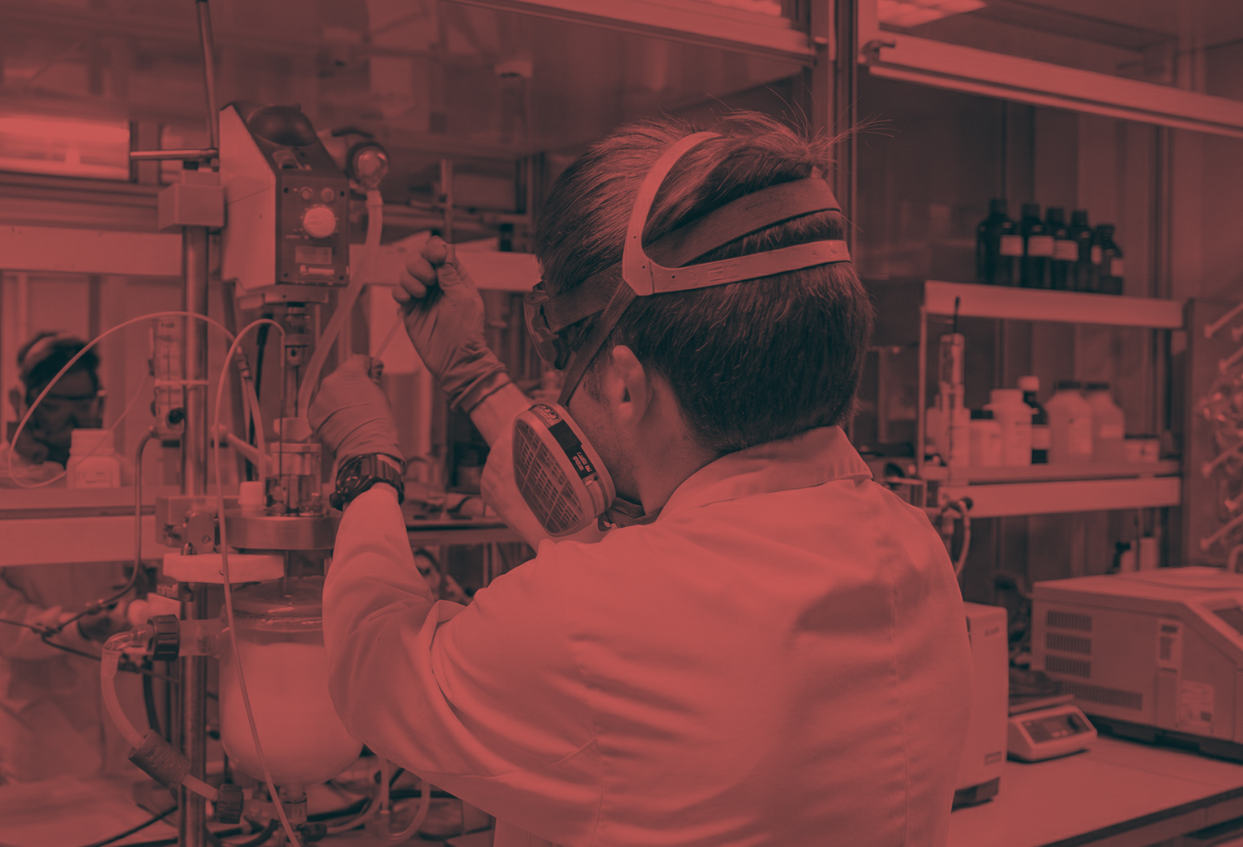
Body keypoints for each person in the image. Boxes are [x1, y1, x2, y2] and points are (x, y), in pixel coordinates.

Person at [309, 114, 973, 846]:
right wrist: (474, 379)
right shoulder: (910, 549)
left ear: (625, 384)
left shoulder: (593, 619)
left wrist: (367, 466)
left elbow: (376, 664)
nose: (562, 392)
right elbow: (635, 556)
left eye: (568, 368)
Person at [0, 332, 138, 782]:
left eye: (85, 400)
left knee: (134, 822)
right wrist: (72, 625)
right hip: (36, 706)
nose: (76, 417)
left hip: (125, 697)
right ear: (22, 400)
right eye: (56, 403)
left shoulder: (122, 475)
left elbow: (144, 565)